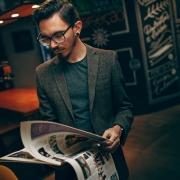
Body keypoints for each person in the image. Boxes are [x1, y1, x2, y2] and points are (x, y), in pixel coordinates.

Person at [32, 0, 133, 179]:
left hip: (109, 161)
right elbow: (49, 124)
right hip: (69, 170)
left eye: (58, 35)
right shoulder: (43, 73)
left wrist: (118, 129)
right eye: (46, 38)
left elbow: (124, 107)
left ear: (77, 27)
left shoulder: (107, 61)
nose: (53, 45)